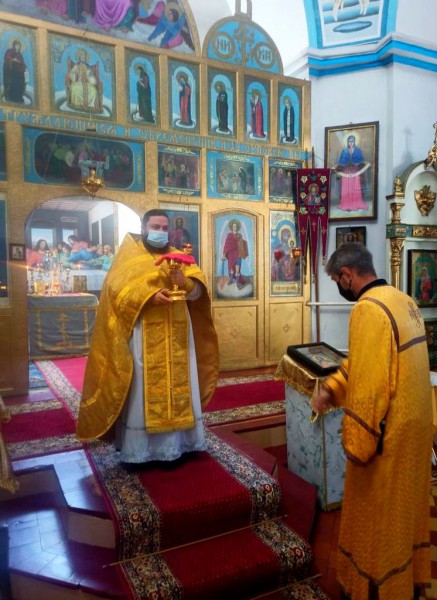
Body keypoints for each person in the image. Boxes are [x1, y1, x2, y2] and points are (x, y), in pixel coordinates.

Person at [312, 242, 432, 600]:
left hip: (388, 437)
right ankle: (408, 581)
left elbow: (370, 384)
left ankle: (379, 588)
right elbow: (365, 360)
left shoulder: (368, 309)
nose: (339, 286)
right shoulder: (402, 300)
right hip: (415, 429)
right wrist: (332, 388)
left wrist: (358, 440)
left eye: (337, 280)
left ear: (347, 275)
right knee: (405, 511)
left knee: (378, 519)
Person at [76, 209, 219, 463]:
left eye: (165, 228)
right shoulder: (130, 256)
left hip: (177, 336)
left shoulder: (178, 257)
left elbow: (199, 291)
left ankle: (179, 446)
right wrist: (148, 296)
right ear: (144, 228)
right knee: (142, 388)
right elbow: (115, 291)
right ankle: (141, 452)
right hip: (144, 334)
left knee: (179, 384)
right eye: (155, 227)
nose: (161, 232)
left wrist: (184, 282)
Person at [335, 134, 369, 211]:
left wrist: (357, 163)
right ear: (347, 142)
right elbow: (341, 161)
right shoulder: (344, 150)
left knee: (355, 187)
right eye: (349, 141)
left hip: (355, 171)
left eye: (352, 141)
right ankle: (346, 203)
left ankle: (356, 203)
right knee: (346, 187)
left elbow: (361, 161)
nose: (351, 143)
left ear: (354, 142)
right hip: (346, 172)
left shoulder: (358, 150)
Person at [66, 49, 102, 113]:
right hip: (78, 82)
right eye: (81, 56)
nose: (83, 58)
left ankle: (90, 107)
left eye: (84, 56)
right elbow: (71, 74)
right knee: (76, 89)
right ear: (79, 57)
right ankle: (77, 105)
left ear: (86, 58)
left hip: (87, 83)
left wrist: (89, 77)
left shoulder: (88, 68)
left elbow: (93, 79)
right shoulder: (76, 66)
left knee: (93, 91)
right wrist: (76, 76)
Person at [221, 219, 248, 290]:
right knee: (231, 269)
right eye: (233, 226)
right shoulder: (229, 235)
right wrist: (224, 254)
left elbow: (241, 245)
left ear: (237, 227)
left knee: (237, 269)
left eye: (235, 226)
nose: (234, 228)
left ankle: (237, 283)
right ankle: (231, 280)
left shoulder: (239, 235)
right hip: (231, 255)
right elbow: (226, 245)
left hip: (238, 254)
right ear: (232, 227)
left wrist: (243, 251)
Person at [3, 40, 27, 104]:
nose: (17, 47)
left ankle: (18, 97)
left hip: (19, 73)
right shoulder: (9, 51)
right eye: (16, 45)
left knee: (20, 82)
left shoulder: (20, 54)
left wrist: (23, 66)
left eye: (19, 46)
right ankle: (11, 97)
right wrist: (12, 60)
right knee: (13, 84)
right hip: (11, 72)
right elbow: (7, 58)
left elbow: (22, 63)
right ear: (13, 45)